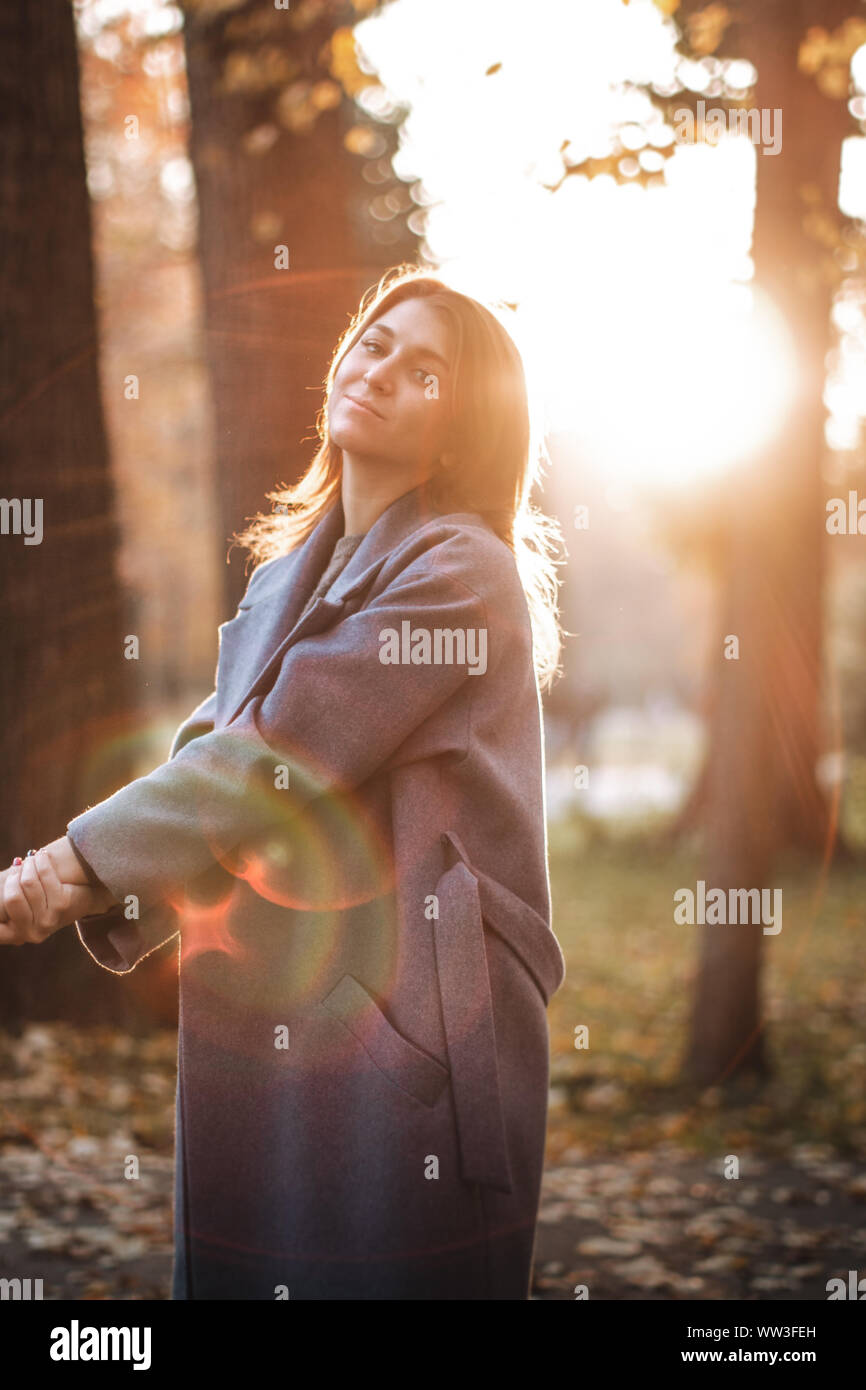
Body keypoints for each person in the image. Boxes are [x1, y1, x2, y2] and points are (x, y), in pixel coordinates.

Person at [0, 264, 567, 1300]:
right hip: (277, 996)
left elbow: (273, 759)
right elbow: (212, 771)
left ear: (464, 429)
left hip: (414, 1017)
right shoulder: (282, 573)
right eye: (377, 341)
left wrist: (61, 866)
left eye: (426, 370)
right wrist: (82, 883)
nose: (383, 368)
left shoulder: (464, 571)